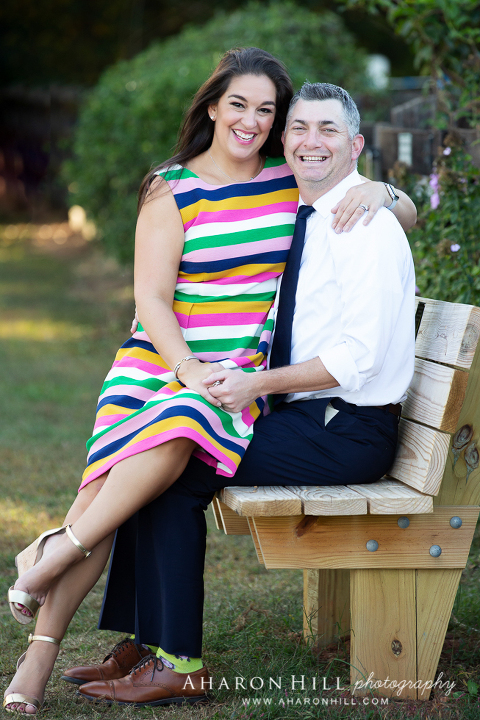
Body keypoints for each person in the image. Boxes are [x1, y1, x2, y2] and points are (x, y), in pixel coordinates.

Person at [3, 48, 416, 714]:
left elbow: (378, 214)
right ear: (213, 107)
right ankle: (54, 646)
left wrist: (385, 192)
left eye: (268, 110)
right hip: (169, 365)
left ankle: (69, 571)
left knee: (162, 465)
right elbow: (151, 299)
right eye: (240, 105)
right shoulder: (179, 187)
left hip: (249, 385)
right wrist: (190, 370)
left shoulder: (302, 186)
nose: (254, 122)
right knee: (124, 476)